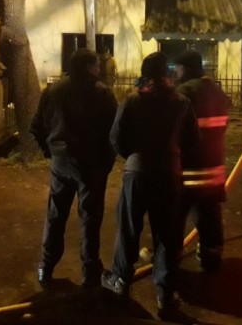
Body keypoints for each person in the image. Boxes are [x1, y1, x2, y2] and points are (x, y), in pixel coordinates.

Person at [101, 52, 199, 318]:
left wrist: (134, 156)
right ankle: (165, 296)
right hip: (169, 174)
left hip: (137, 173)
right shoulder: (182, 103)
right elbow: (192, 139)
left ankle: (120, 280)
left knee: (129, 228)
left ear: (145, 74)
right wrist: (173, 156)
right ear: (167, 73)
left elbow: (116, 137)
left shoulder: (132, 100)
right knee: (167, 235)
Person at [29, 48, 117, 288]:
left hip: (61, 161)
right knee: (90, 218)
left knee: (55, 215)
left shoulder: (53, 91)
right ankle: (90, 272)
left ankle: (46, 267)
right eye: (96, 65)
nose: (99, 69)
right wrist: (106, 163)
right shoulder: (102, 93)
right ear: (89, 67)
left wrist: (50, 151)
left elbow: (36, 126)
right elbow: (114, 132)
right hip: (92, 164)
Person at [174, 50, 229, 271]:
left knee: (176, 214)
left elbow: (175, 130)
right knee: (209, 212)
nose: (176, 73)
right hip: (213, 167)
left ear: (186, 69)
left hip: (188, 168)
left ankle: (170, 256)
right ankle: (211, 255)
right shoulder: (216, 91)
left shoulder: (184, 92)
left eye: (178, 69)